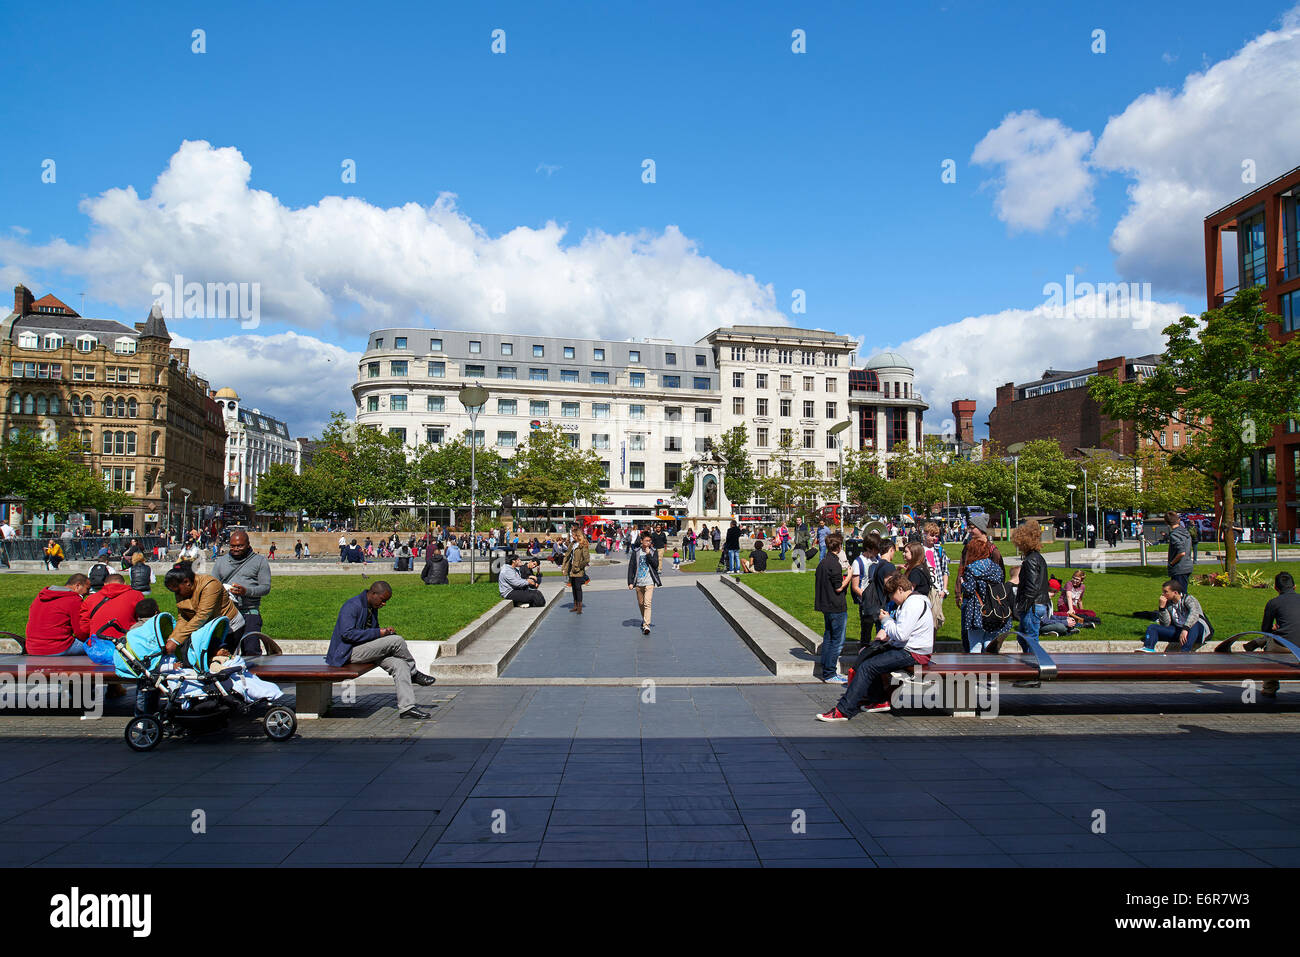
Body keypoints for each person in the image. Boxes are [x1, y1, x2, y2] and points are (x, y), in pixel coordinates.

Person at [818, 572, 934, 721]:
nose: (892, 599)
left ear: (900, 589)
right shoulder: (914, 601)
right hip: (910, 649)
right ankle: (878, 699)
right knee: (869, 653)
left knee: (868, 667)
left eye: (892, 595)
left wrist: (885, 620)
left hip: (914, 653)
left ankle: (843, 710)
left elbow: (901, 634)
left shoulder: (912, 604)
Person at [326, 581, 437, 719]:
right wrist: (379, 633)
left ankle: (407, 708)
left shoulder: (372, 607)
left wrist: (383, 633)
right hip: (347, 652)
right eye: (383, 600)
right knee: (397, 640)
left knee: (400, 665)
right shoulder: (352, 606)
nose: (384, 604)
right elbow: (347, 634)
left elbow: (371, 632)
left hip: (365, 649)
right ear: (373, 594)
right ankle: (413, 673)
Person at [163, 564, 246, 668]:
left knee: (221, 662)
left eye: (176, 590)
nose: (176, 593)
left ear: (187, 582)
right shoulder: (181, 590)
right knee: (205, 663)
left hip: (230, 627)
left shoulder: (210, 585)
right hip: (209, 629)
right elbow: (183, 617)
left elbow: (202, 616)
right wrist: (173, 638)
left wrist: (176, 640)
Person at [212, 530, 273, 656]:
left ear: (248, 544)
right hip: (228, 613)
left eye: (240, 546)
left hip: (249, 613)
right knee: (226, 651)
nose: (236, 549)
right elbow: (213, 586)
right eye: (233, 546)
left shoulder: (260, 561)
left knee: (251, 651)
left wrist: (246, 591)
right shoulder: (221, 562)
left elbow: (265, 588)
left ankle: (254, 674)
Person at [960, 538, 1013, 653]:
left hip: (977, 611)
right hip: (994, 609)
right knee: (989, 642)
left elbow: (970, 590)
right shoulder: (996, 568)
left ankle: (977, 669)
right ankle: (991, 668)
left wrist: (962, 583)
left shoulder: (971, 569)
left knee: (975, 643)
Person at [1254, 572, 1300, 697]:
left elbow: (1265, 630)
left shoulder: (1273, 603)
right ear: (1294, 586)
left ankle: (1270, 687)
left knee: (1268, 648)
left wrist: (1275, 629)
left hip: (1283, 645)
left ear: (1276, 588)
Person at [1139, 579, 1214, 653]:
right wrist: (1162, 608)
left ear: (1175, 592)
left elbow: (1194, 614)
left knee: (1195, 624)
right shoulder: (1168, 604)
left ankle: (1185, 651)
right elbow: (1165, 624)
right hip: (1179, 631)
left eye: (1165, 592)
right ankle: (1149, 647)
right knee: (1152, 627)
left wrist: (1185, 629)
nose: (1162, 594)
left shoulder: (1189, 599)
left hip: (1196, 631)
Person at [25, 574, 92, 655]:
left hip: (32, 647)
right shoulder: (74, 600)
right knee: (97, 646)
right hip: (57, 648)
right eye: (87, 589)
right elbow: (80, 633)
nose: (88, 593)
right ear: (77, 585)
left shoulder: (40, 597)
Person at [814, 532, 850, 683]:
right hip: (836, 606)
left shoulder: (823, 562)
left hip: (826, 605)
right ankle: (830, 673)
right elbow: (838, 587)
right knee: (837, 640)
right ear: (839, 547)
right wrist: (849, 575)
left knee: (828, 636)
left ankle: (826, 667)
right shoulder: (834, 564)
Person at [1010, 520, 1050, 652]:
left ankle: (1035, 666)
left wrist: (1022, 606)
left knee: (1030, 640)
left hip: (1033, 605)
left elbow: (1032, 587)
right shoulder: (1037, 558)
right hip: (1038, 603)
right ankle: (1031, 663)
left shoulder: (1030, 560)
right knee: (1024, 638)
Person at [80, 573, 146, 639]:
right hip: (125, 642)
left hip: (97, 643)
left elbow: (84, 627)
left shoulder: (91, 599)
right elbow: (145, 619)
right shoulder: (136, 595)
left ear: (105, 584)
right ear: (124, 583)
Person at [627, 530, 662, 635]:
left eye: (649, 541)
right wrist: (630, 582)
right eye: (646, 541)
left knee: (647, 603)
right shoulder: (636, 552)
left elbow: (655, 565)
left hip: (649, 582)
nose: (648, 543)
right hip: (638, 582)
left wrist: (648, 555)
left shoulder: (653, 551)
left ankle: (646, 625)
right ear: (641, 541)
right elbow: (631, 567)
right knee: (641, 604)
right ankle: (644, 619)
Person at [560, 527, 590, 614]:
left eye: (574, 536)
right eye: (572, 535)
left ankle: (579, 607)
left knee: (578, 588)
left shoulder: (583, 545)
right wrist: (564, 568)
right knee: (573, 588)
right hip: (571, 569)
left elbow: (586, 559)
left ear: (579, 536)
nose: (573, 537)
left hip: (578, 570)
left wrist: (579, 566)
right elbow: (567, 555)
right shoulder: (573, 544)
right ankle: (575, 605)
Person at [1165, 511, 1194, 596]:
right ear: (1178, 520)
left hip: (1179, 568)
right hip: (1187, 565)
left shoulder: (1174, 535)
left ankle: (1184, 609)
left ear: (1166, 522)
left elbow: (1181, 552)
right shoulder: (1185, 532)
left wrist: (1172, 563)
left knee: (1179, 594)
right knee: (1181, 592)